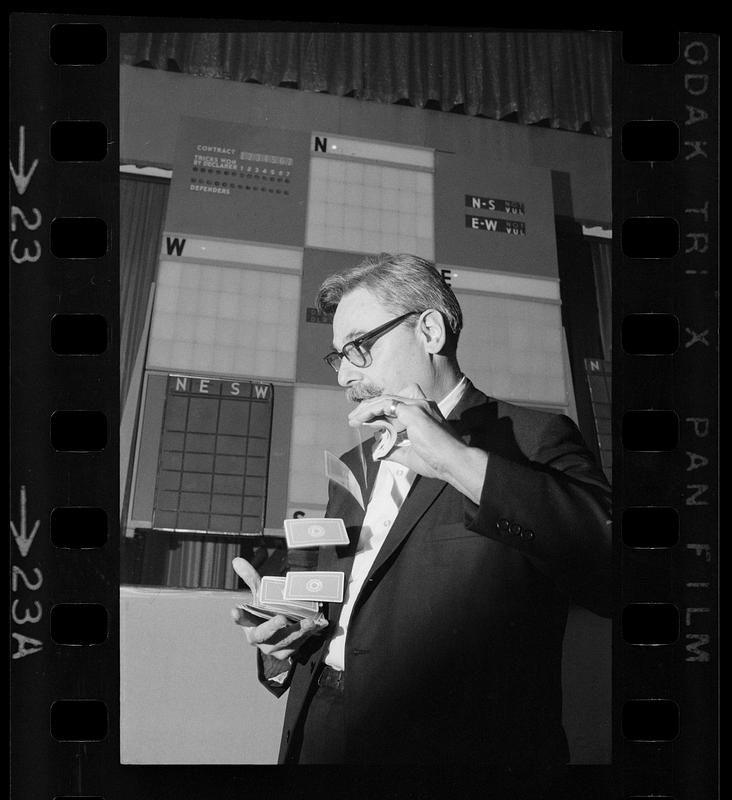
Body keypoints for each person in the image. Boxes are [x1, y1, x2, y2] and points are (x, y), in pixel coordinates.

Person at [233, 253, 611, 774]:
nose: (344, 373)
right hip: (319, 731)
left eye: (359, 347)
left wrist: (457, 461)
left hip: (451, 752)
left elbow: (616, 570)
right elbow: (334, 604)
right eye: (338, 357)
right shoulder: (353, 465)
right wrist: (285, 638)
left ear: (430, 330)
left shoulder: (532, 438)